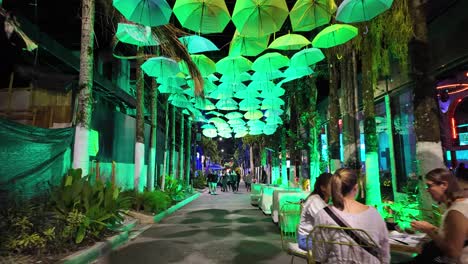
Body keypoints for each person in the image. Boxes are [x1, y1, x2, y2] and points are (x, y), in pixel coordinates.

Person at [313, 168, 390, 264]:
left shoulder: (323, 215)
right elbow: (385, 254)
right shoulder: (374, 214)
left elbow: (319, 256)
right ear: (356, 188)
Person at [410, 168, 468, 263]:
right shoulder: (459, 206)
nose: (427, 190)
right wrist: (433, 228)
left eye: (429, 186)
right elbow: (456, 235)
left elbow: (453, 252)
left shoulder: (456, 211)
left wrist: (428, 231)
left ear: (444, 185)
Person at [297, 172, 333, 250]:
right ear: (323, 188)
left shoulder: (324, 201)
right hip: (307, 239)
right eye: (331, 184)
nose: (335, 187)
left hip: (316, 237)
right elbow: (325, 220)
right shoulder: (315, 200)